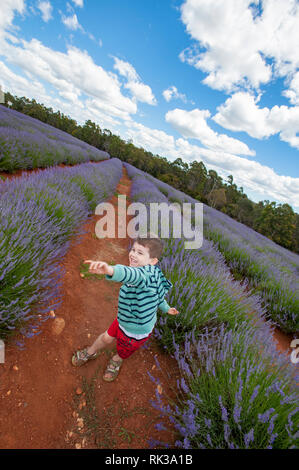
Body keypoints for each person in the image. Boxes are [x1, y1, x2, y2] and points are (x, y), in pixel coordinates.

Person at [71, 233, 179, 382]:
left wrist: (109, 270)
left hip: (136, 331)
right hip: (123, 319)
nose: (133, 255)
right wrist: (167, 308)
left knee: (123, 351)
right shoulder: (152, 273)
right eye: (133, 250)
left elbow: (132, 275)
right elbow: (156, 294)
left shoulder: (144, 275)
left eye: (140, 253)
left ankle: (116, 359)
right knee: (106, 337)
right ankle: (91, 351)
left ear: (153, 261)